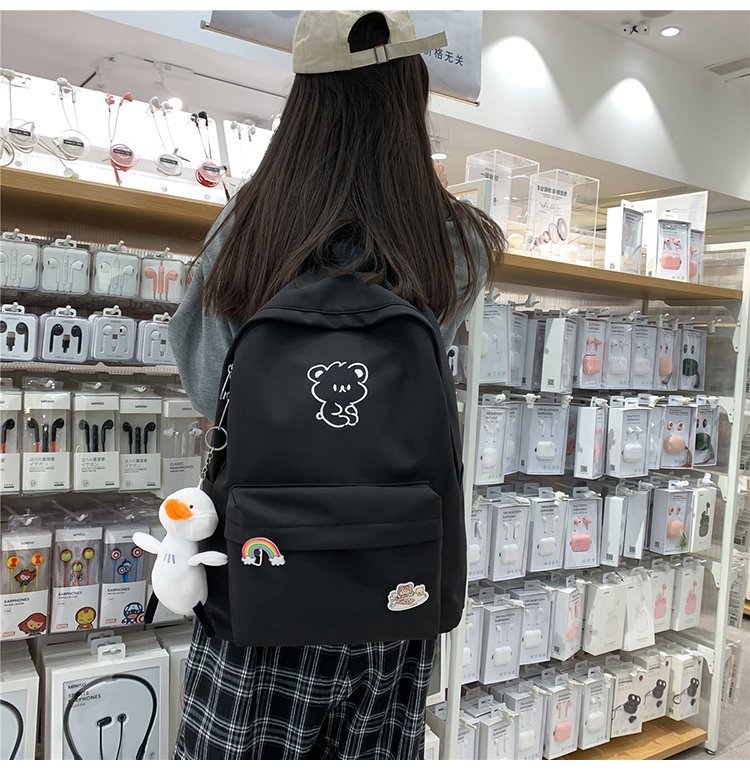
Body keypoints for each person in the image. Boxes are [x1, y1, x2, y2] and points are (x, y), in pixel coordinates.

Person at [169, 10, 505, 761]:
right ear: (411, 95)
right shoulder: (457, 241)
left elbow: (209, 388)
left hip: (262, 576)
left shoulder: (248, 227)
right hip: (395, 578)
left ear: (305, 98)